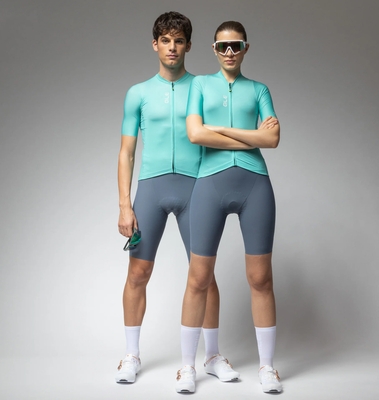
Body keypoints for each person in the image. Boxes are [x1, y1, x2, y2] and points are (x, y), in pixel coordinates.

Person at [116, 12, 239, 385]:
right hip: (151, 189)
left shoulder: (203, 88)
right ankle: (131, 356)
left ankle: (212, 356)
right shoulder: (138, 93)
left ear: (188, 45)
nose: (172, 47)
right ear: (155, 44)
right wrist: (124, 204)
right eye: (166, 41)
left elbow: (223, 133)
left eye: (179, 41)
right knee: (138, 272)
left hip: (196, 189)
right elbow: (126, 152)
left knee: (204, 275)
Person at [175, 21, 282, 394]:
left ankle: (268, 367)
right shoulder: (201, 86)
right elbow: (195, 133)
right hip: (210, 184)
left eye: (236, 45)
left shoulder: (259, 89)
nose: (230, 52)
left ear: (246, 47)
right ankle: (187, 367)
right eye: (223, 46)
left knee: (261, 279)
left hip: (255, 185)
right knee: (198, 278)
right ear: (214, 49)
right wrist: (252, 137)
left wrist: (220, 130)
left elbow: (273, 138)